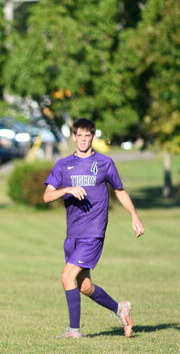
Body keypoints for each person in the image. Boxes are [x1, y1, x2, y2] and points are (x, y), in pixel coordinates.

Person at [43, 118, 145, 338]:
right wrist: (66, 189)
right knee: (85, 287)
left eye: (87, 135)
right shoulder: (63, 165)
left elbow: (119, 190)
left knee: (66, 277)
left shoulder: (105, 163)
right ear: (73, 137)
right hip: (73, 235)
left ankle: (74, 330)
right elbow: (47, 195)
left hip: (93, 233)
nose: (82, 139)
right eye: (79, 135)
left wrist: (134, 215)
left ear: (93, 136)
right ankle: (120, 309)